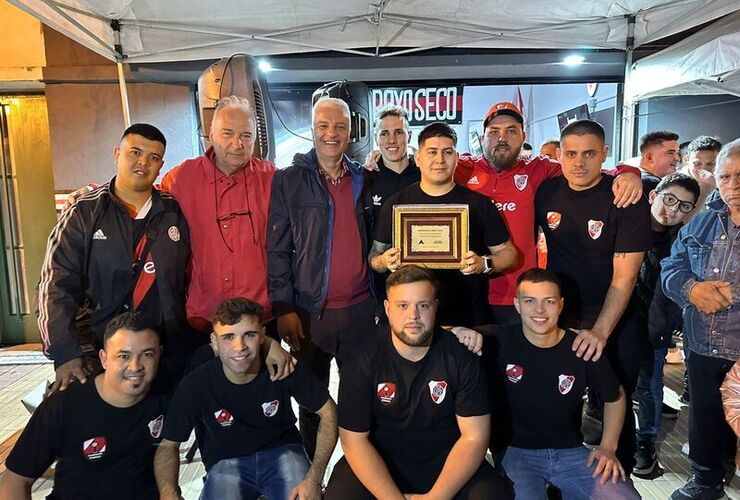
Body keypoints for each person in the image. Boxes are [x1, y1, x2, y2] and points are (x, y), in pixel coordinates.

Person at [64, 96, 278, 335]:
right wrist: (96, 191)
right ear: (211, 134)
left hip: (260, 320)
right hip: (202, 319)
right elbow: (140, 192)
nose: (237, 144)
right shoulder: (181, 178)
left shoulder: (272, 179)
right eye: (227, 133)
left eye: (246, 136)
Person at [325, 265, 513, 499]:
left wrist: (436, 497)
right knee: (338, 495)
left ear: (435, 307)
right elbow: (354, 442)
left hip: (448, 462)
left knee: (493, 495)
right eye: (402, 305)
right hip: (381, 461)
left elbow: (474, 437)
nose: (413, 316)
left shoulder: (461, 357)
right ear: (387, 308)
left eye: (422, 305)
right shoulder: (363, 359)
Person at [454, 101, 643, 324]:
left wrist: (630, 172)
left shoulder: (540, 168)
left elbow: (595, 171)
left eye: (511, 130)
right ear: (483, 136)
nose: (502, 138)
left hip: (522, 295)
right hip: (469, 291)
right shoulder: (461, 169)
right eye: (494, 131)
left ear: (524, 135)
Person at [534, 119, 652, 475]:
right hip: (563, 318)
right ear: (559, 155)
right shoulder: (546, 192)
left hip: (616, 320)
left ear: (604, 154)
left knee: (615, 400)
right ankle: (559, 481)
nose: (579, 162)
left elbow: (625, 276)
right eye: (570, 154)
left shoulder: (625, 196)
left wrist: (600, 331)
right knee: (561, 403)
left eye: (589, 153)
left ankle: (620, 482)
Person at [38, 123, 192, 393]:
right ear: (117, 154)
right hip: (98, 350)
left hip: (162, 350)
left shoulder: (174, 211)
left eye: (153, 158)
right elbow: (55, 283)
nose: (143, 162)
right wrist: (64, 353)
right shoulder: (84, 211)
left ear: (161, 165)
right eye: (135, 152)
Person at [267, 97, 376, 457]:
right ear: (312, 130)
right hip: (309, 314)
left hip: (361, 311)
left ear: (351, 130)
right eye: (324, 126)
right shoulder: (289, 180)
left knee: (361, 399)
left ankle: (357, 475)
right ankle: (312, 476)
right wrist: (284, 308)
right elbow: (277, 249)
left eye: (340, 126)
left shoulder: (363, 177)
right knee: (312, 402)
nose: (332, 133)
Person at [479, 268, 640, 499]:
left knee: (626, 497)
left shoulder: (581, 346)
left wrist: (608, 447)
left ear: (561, 305)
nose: (540, 310)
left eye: (549, 301)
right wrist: (461, 332)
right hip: (516, 453)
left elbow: (615, 396)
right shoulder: (497, 339)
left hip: (570, 452)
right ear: (517, 305)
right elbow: (438, 335)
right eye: (530, 301)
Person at [154, 298, 337, 500]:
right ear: (214, 341)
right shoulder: (196, 383)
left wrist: (314, 477)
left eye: (248, 335)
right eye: (228, 337)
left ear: (262, 337)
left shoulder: (283, 366)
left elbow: (329, 413)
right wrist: (169, 491)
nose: (239, 346)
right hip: (226, 464)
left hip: (284, 453)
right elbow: (168, 445)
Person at [0, 312, 169, 500]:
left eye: (146, 354)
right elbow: (15, 480)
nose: (135, 366)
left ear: (159, 354)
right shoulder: (64, 407)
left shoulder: (168, 394)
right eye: (123, 356)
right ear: (104, 358)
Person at [369, 122, 518, 327]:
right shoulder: (396, 204)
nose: (439, 160)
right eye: (432, 152)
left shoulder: (478, 204)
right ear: (418, 158)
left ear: (456, 159)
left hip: (468, 318)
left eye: (447, 152)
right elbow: (374, 256)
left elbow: (508, 253)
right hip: (411, 321)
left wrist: (483, 264)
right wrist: (384, 261)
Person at [662, 138, 740, 500]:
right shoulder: (703, 221)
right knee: (705, 416)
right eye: (725, 177)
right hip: (702, 343)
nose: (733, 185)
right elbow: (671, 266)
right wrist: (691, 290)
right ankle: (707, 482)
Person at [632, 173, 700, 477]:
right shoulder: (625, 226)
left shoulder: (685, 241)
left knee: (649, 387)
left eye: (684, 206)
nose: (672, 209)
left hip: (655, 327)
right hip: (616, 322)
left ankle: (645, 443)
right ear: (653, 196)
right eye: (669, 198)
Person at [682, 135, 723, 214]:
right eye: (697, 164)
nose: (704, 169)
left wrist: (718, 185)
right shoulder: (673, 183)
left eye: (710, 164)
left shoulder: (726, 179)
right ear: (686, 160)